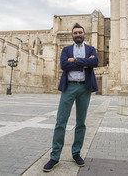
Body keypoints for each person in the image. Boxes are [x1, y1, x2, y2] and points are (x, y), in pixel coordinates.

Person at [43, 23, 99, 172]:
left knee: (81, 122)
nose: (78, 35)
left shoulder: (91, 49)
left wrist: (74, 61)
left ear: (84, 34)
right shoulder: (66, 49)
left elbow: (95, 62)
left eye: (80, 32)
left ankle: (76, 153)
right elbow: (63, 65)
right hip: (69, 87)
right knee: (61, 121)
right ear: (72, 35)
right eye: (75, 33)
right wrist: (84, 64)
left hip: (84, 88)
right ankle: (55, 156)